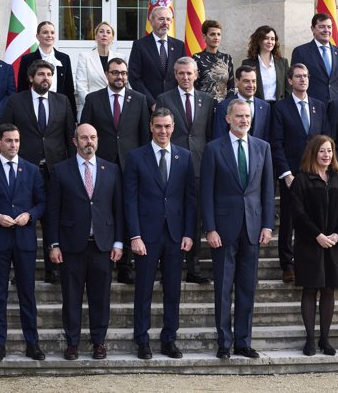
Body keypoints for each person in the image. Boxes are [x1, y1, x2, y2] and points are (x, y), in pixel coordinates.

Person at [201, 99, 275, 359]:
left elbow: (267, 190)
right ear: (228, 119)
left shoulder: (262, 147)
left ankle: (243, 341)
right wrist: (209, 228)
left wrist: (267, 224)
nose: (244, 120)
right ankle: (224, 342)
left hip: (253, 228)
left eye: (247, 116)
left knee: (247, 287)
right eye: (239, 116)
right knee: (223, 288)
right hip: (223, 229)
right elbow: (206, 192)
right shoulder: (213, 149)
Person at [123, 108, 197, 360]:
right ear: (151, 128)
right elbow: (129, 200)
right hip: (146, 235)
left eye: (167, 126)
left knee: (173, 291)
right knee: (143, 289)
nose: (163, 131)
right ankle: (142, 340)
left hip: (175, 235)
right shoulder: (136, 157)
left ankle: (169, 339)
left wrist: (189, 233)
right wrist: (134, 236)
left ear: (173, 127)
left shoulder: (184, 157)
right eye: (158, 126)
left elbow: (190, 199)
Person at [47, 123, 123, 361]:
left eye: (93, 137)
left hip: (102, 245)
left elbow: (118, 209)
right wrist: (53, 244)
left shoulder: (111, 169)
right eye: (84, 138)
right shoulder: (60, 171)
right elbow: (52, 211)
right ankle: (72, 343)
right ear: (74, 141)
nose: (89, 142)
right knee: (71, 297)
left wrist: (119, 242)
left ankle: (99, 342)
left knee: (101, 298)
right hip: (71, 246)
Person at [0, 123, 46, 362]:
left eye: (16, 140)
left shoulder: (32, 170)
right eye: (9, 140)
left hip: (24, 241)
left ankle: (32, 344)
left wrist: (30, 215)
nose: (13, 145)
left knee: (27, 294)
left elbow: (42, 203)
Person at [0, 59, 76, 284]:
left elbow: (69, 136)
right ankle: (22, 271)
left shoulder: (62, 101)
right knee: (23, 221)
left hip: (55, 171)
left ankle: (53, 269)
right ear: (31, 78)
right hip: (25, 171)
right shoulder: (16, 101)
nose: (46, 78)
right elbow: (5, 130)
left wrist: (72, 168)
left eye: (49, 75)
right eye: (41, 74)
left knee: (53, 220)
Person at [81, 57, 151, 285]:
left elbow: (143, 137)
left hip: (131, 166)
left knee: (129, 211)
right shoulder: (93, 99)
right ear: (106, 74)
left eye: (123, 73)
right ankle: (105, 259)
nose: (119, 77)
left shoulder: (139, 100)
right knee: (105, 212)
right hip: (101, 167)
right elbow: (86, 132)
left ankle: (126, 264)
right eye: (115, 73)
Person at [289, 135, 338, 356]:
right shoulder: (302, 180)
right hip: (310, 244)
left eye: (329, 151)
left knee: (328, 291)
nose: (326, 155)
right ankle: (309, 339)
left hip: (334, 245)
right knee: (310, 289)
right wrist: (317, 235)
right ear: (313, 153)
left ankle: (325, 339)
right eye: (322, 151)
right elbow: (297, 213)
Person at [155, 56, 214, 284]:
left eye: (189, 73)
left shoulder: (207, 101)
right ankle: (167, 267)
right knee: (169, 216)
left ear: (196, 75)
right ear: (175, 75)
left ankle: (193, 267)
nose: (185, 77)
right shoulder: (164, 98)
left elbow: (208, 135)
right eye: (181, 73)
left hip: (198, 166)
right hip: (171, 166)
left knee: (194, 216)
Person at [271, 63, 327, 283]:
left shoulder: (319, 106)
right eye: (298, 76)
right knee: (288, 220)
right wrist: (285, 173)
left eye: (306, 76)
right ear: (290, 81)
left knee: (314, 217)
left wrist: (324, 169)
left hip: (315, 172)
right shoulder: (281, 108)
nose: (303, 80)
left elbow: (326, 140)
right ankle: (287, 264)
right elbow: (276, 142)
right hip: (291, 174)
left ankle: (310, 261)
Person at [128, 6, 186, 109]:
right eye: (161, 19)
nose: (165, 23)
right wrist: (151, 103)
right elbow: (134, 78)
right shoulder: (140, 45)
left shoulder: (179, 46)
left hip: (175, 105)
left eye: (168, 19)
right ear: (151, 21)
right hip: (148, 106)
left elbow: (183, 75)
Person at [17, 21, 77, 119]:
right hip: (35, 107)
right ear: (37, 36)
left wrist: (73, 116)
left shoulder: (64, 58)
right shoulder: (27, 59)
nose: (49, 35)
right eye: (45, 32)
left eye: (52, 33)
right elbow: (22, 87)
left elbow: (69, 88)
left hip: (59, 108)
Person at [291, 13, 338, 104]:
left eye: (329, 27)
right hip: (313, 106)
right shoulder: (301, 52)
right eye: (322, 27)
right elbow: (295, 81)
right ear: (313, 29)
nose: (326, 30)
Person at [75, 21, 124, 118]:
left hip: (115, 108)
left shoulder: (121, 58)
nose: (104, 34)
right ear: (95, 36)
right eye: (101, 31)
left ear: (112, 38)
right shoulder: (85, 57)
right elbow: (81, 86)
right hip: (91, 109)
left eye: (108, 32)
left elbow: (125, 84)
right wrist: (95, 105)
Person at [213, 65, 271, 141]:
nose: (251, 85)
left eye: (253, 81)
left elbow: (267, 137)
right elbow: (219, 138)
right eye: (246, 81)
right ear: (237, 82)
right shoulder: (224, 106)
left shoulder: (265, 107)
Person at [240, 25, 290, 104]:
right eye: (266, 38)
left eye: (272, 39)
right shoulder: (248, 63)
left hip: (279, 107)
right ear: (259, 40)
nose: (270, 42)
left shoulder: (283, 63)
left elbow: (288, 88)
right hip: (258, 106)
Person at [192, 19, 234, 102]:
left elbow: (231, 86)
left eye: (218, 34)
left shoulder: (227, 58)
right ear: (204, 37)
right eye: (212, 34)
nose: (216, 37)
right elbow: (194, 86)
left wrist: (228, 105)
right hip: (203, 105)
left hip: (223, 106)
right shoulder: (197, 58)